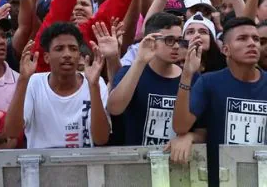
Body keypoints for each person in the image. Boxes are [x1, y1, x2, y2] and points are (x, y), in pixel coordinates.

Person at [173, 18, 267, 187]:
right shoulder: (208, 82)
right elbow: (180, 126)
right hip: (221, 181)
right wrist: (187, 75)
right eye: (242, 38)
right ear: (225, 49)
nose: (252, 43)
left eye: (256, 39)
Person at [4, 23, 110, 148]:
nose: (67, 54)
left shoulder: (95, 82)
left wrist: (93, 86)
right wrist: (23, 79)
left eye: (73, 49)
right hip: (41, 166)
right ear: (47, 57)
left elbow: (101, 139)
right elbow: (12, 132)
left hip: (83, 165)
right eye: (59, 49)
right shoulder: (34, 83)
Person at [108, 13, 199, 152]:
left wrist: (190, 136)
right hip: (138, 161)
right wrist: (139, 61)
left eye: (179, 40)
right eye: (169, 40)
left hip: (178, 163)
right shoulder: (130, 71)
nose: (176, 46)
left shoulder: (193, 77)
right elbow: (114, 108)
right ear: (150, 40)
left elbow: (203, 129)